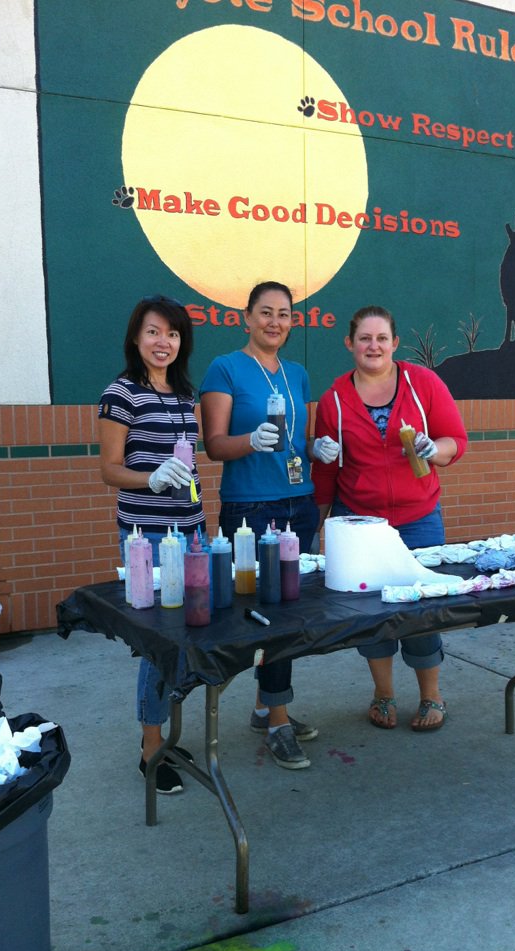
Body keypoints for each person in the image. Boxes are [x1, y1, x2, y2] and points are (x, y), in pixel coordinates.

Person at [199, 281, 339, 770]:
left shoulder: (298, 373)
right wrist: (249, 441)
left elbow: (297, 440)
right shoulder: (226, 368)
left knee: (293, 613)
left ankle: (266, 706)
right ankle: (279, 720)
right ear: (247, 317)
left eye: (283, 314)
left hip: (300, 502)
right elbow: (215, 445)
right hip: (251, 510)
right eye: (265, 312)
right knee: (269, 616)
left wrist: (316, 449)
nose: (274, 321)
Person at [312, 305, 467, 732]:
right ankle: (383, 695)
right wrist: (319, 522)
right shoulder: (334, 399)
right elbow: (326, 469)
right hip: (360, 525)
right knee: (371, 614)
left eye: (381, 338)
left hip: (419, 517)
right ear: (350, 344)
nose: (373, 346)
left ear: (395, 343)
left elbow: (456, 440)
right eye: (364, 338)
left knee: (423, 610)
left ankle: (431, 696)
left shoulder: (424, 384)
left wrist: (435, 450)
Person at [98, 294, 205, 794]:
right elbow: (109, 471)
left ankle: (168, 733)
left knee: (186, 641)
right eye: (153, 332)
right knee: (159, 644)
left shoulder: (185, 395)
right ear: (136, 338)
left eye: (173, 334)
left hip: (191, 530)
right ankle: (150, 748)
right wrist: (151, 478)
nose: (163, 342)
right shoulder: (121, 394)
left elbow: (191, 468)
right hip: (148, 536)